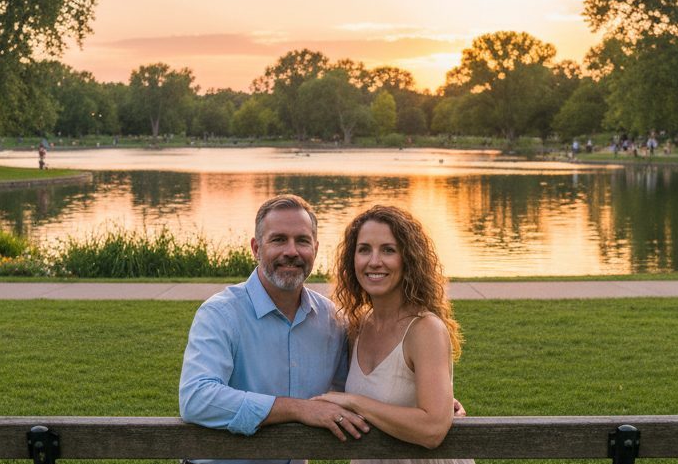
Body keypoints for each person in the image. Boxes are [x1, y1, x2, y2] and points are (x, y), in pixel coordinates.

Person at [179, 195, 370, 464]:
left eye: (302, 241)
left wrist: (427, 402)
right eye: (279, 239)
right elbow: (197, 399)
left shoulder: (333, 320)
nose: (291, 251)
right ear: (256, 248)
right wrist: (298, 409)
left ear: (315, 249)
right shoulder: (220, 314)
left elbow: (355, 392)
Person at [313, 205, 471, 461]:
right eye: (364, 249)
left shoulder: (424, 329)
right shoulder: (358, 327)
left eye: (388, 250)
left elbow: (432, 430)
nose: (374, 261)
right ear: (352, 259)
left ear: (407, 259)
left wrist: (354, 402)